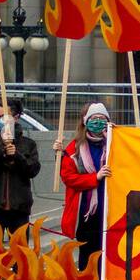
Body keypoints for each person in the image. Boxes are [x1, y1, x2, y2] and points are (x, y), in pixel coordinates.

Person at [59, 103, 112, 271]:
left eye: (102, 118)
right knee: (87, 257)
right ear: (85, 122)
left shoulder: (114, 145)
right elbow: (68, 177)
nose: (98, 122)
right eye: (94, 118)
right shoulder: (74, 148)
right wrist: (94, 178)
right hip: (86, 213)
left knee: (106, 257)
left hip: (109, 212)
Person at [0, 99, 41, 239]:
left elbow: (33, 170)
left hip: (19, 208)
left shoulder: (28, 144)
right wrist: (1, 146)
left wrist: (17, 156)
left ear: (16, 118)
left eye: (3, 117)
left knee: (19, 254)